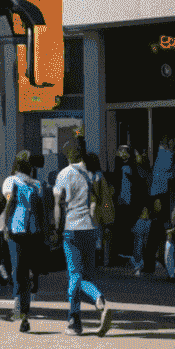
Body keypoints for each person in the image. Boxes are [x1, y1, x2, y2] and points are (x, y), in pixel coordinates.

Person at [54, 138, 113, 336]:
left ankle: (78, 318)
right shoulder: (94, 173)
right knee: (85, 275)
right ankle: (85, 310)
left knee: (74, 275)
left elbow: (58, 205)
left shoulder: (65, 174)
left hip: (72, 229)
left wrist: (56, 229)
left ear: (70, 154)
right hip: (91, 229)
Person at [2, 151, 43, 332]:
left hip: (16, 231)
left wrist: (5, 227)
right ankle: (23, 310)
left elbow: (9, 205)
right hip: (33, 232)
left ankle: (20, 305)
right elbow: (41, 211)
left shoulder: (11, 182)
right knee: (27, 270)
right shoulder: (37, 185)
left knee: (19, 268)